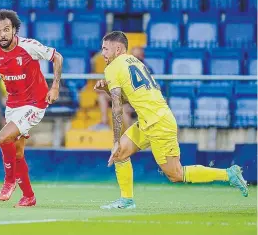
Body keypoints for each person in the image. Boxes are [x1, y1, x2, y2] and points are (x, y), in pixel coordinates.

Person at [94, 31, 248, 209]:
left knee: (175, 174)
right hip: (150, 120)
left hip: (158, 123)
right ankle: (127, 200)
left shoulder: (112, 67)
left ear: (118, 48)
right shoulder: (134, 61)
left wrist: (114, 140)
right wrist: (106, 89)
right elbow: (130, 99)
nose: (102, 53)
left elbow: (117, 108)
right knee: (120, 153)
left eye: (105, 48)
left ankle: (229, 174)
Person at [0, 9, 63, 207]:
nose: (2, 35)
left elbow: (57, 57)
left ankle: (9, 181)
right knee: (17, 154)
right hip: (13, 104)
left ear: (14, 30)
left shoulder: (29, 46)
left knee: (3, 137)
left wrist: (55, 86)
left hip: (35, 102)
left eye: (6, 30)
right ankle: (29, 196)